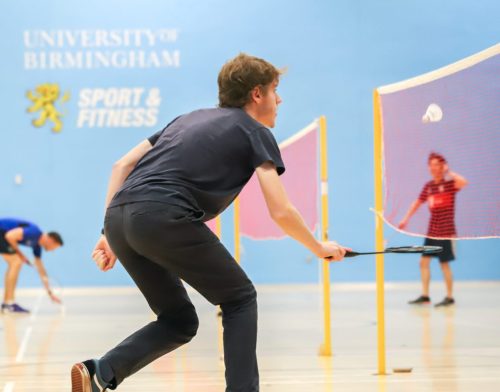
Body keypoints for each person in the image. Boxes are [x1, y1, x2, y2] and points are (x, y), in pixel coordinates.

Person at [71, 53, 349, 392]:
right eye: (276, 90)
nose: (280, 99)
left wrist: (107, 234)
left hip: (119, 218)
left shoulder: (186, 119)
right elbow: (281, 210)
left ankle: (102, 371)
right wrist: (319, 247)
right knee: (240, 298)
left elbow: (121, 166)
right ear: (256, 94)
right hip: (163, 216)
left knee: (178, 321)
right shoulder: (255, 131)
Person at [399, 152, 468, 307]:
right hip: (432, 231)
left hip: (446, 232)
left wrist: (449, 172)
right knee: (423, 262)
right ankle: (425, 296)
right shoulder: (429, 187)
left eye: (437, 164)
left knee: (444, 264)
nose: (433, 168)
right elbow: (416, 203)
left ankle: (449, 297)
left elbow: (463, 182)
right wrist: (405, 219)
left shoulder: (450, 185)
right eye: (431, 164)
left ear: (442, 166)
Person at [0, 218, 63, 313]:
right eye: (54, 247)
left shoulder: (37, 246)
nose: (52, 250)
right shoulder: (34, 232)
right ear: (51, 240)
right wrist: (21, 255)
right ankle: (9, 304)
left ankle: (7, 303)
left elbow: (41, 269)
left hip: (3, 234)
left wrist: (50, 293)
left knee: (14, 263)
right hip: (2, 231)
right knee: (16, 262)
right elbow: (9, 236)